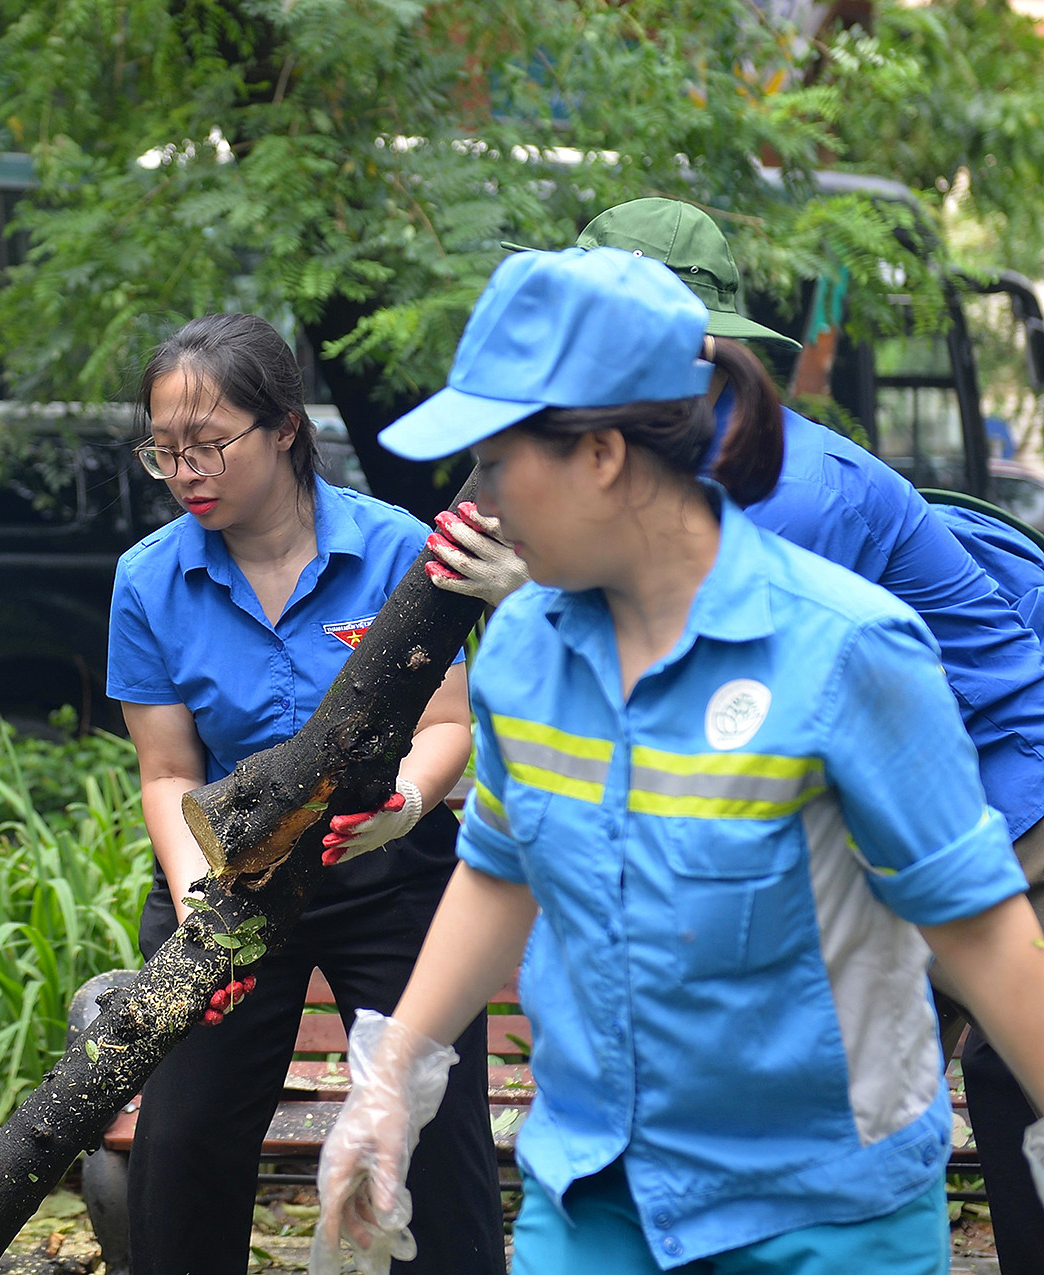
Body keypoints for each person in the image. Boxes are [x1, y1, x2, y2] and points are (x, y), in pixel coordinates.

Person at [310, 245, 1044, 1275]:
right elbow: (503, 868)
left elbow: (977, 928)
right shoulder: (524, 650)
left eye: (495, 462)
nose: (477, 501)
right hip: (593, 1197)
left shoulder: (844, 652)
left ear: (602, 454)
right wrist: (395, 1078)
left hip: (821, 1218)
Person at [108, 313, 503, 1275]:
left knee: (435, 1139)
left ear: (286, 426)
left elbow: (447, 724)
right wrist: (202, 903)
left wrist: (403, 804)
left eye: (208, 444)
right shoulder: (149, 580)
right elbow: (169, 773)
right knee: (184, 1141)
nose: (186, 472)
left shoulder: (398, 548)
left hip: (389, 862)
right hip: (225, 874)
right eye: (164, 452)